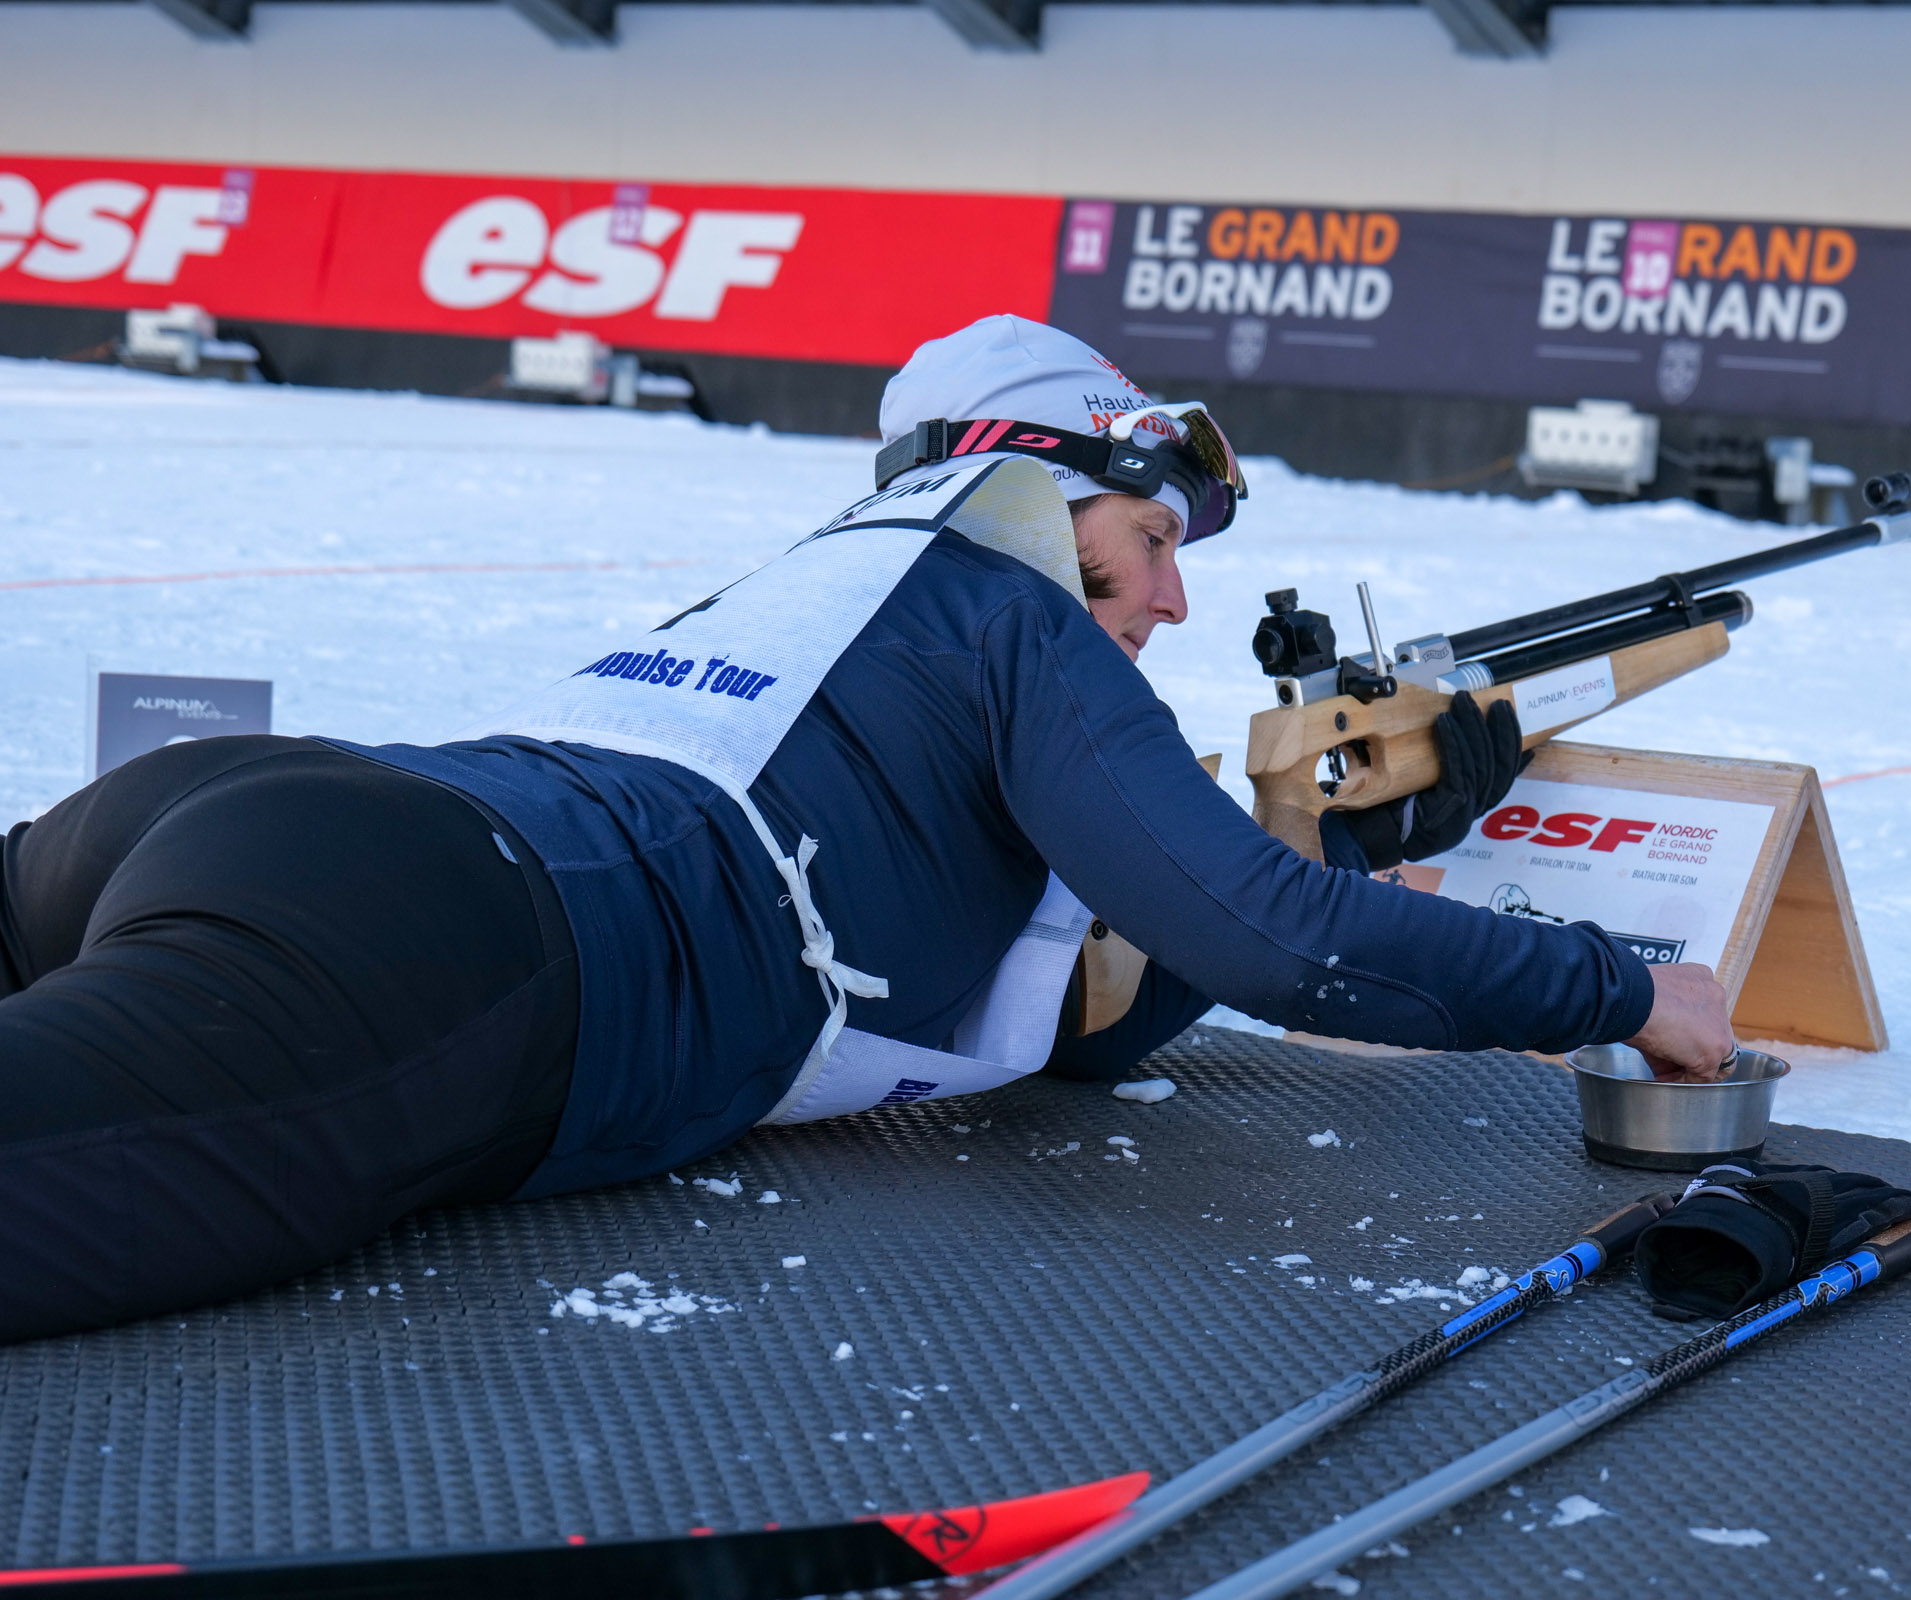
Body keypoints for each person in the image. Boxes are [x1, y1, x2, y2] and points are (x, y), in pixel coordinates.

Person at [0, 315, 1731, 1343]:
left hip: (260, 821)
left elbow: (1082, 1024)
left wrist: (1337, 840)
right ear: (1048, 489)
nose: (1175, 598)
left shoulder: (825, 589)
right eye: (1152, 539)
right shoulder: (1009, 611)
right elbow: (1274, 949)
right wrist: (1626, 990)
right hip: (436, 944)